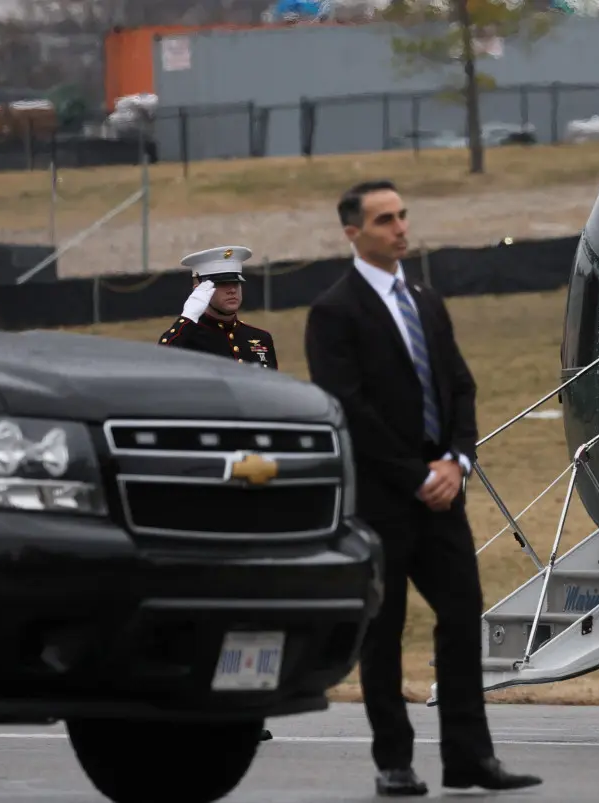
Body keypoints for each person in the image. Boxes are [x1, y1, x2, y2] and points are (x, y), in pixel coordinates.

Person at [303, 179, 542, 797]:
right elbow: (348, 408)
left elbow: (461, 388)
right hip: (384, 501)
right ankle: (394, 763)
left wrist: (457, 461)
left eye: (403, 216)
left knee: (463, 618)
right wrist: (416, 475)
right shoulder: (335, 312)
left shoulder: (426, 300)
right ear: (354, 232)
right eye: (385, 220)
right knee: (383, 633)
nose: (401, 228)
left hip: (443, 494)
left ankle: (469, 759)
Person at [158, 246, 279, 370]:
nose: (232, 290)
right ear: (199, 290)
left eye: (236, 283)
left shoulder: (260, 338)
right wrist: (187, 317)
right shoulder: (187, 338)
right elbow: (160, 360)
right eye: (223, 284)